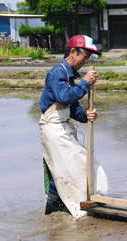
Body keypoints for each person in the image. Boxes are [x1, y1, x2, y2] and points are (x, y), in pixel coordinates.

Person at [39, 34, 101, 218]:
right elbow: (64, 97)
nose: (86, 60)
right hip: (53, 128)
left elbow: (72, 108)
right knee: (75, 164)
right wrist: (85, 83)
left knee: (64, 168)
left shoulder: (69, 75)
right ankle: (65, 205)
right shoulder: (58, 73)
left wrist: (86, 115)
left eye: (89, 57)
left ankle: (59, 206)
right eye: (85, 55)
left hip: (62, 127)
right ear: (73, 52)